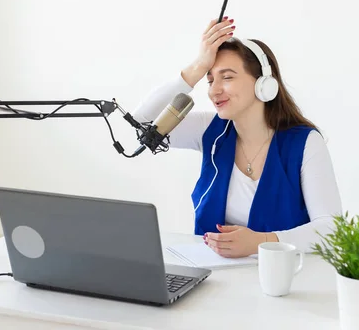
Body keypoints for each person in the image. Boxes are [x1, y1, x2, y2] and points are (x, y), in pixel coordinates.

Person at [132, 16, 342, 258]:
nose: (214, 90)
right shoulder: (210, 130)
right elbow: (142, 125)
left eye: (227, 77)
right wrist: (198, 66)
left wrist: (262, 242)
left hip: (284, 282)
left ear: (264, 84)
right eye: (210, 80)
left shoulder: (304, 143)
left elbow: (331, 228)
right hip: (214, 278)